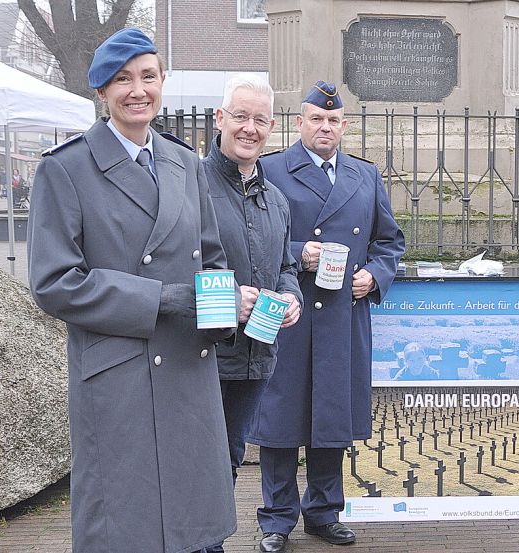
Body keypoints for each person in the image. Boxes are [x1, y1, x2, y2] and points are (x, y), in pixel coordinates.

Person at [26, 28, 236, 553]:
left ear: (163, 82)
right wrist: (161, 298)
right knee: (124, 528)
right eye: (122, 80)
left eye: (148, 76)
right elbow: (54, 282)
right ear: (102, 91)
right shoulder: (65, 168)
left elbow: (210, 258)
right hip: (118, 374)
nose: (137, 90)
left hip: (188, 366)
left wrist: (228, 310)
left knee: (190, 528)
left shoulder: (186, 163)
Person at [248, 81, 405, 552]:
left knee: (330, 413)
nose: (325, 127)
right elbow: (250, 233)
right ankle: (276, 519)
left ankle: (323, 510)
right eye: (316, 119)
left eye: (334, 120)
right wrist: (299, 252)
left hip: (342, 312)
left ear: (344, 126)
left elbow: (389, 241)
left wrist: (375, 276)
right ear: (299, 123)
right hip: (289, 309)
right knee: (279, 415)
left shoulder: (364, 175)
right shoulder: (270, 168)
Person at [200, 75, 303, 553]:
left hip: (256, 354)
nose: (249, 128)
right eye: (240, 116)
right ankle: (201, 543)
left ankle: (211, 538)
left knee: (230, 456)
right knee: (199, 458)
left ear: (272, 128)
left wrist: (290, 298)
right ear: (220, 118)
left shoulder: (275, 200)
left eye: (260, 120)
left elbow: (284, 265)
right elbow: (173, 268)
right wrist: (227, 301)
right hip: (200, 353)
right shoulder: (190, 185)